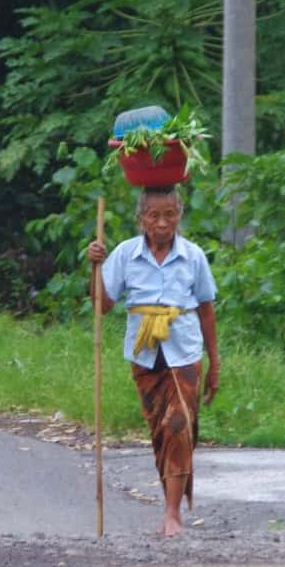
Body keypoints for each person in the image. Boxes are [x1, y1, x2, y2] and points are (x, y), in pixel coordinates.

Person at [88, 185, 220, 537]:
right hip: (145, 355)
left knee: (178, 426)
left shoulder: (193, 256)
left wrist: (215, 364)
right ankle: (170, 506)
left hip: (186, 352)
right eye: (154, 215)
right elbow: (103, 304)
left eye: (170, 215)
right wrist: (95, 269)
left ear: (179, 216)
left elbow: (207, 310)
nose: (162, 223)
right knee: (160, 434)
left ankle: (172, 514)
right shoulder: (125, 254)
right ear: (140, 219)